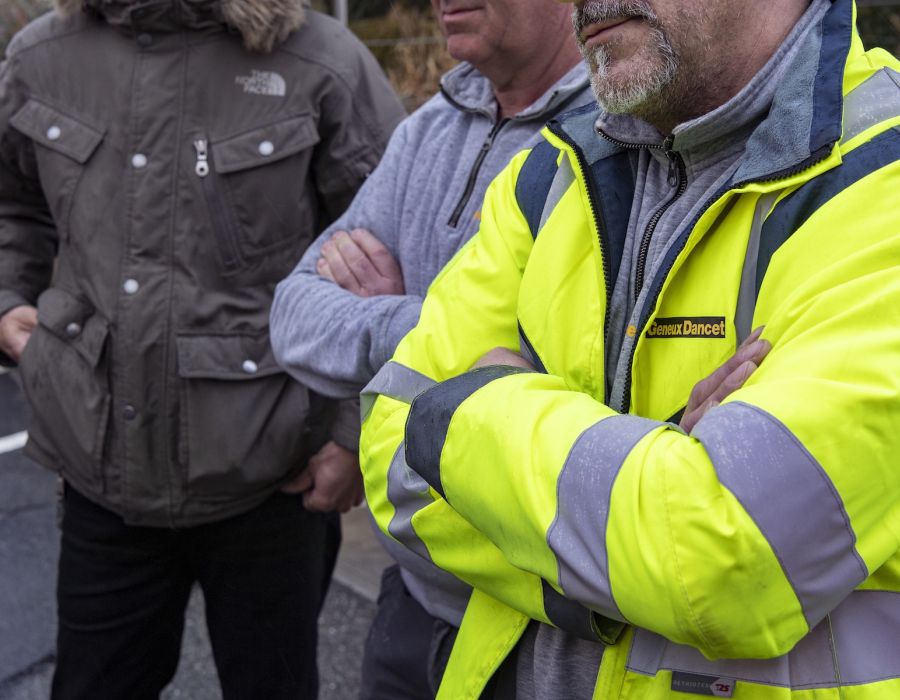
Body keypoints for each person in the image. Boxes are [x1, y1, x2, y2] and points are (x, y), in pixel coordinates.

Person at [356, 0, 900, 696]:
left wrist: (479, 407)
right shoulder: (549, 171)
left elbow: (725, 565)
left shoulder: (880, 175)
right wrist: (657, 478)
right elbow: (391, 455)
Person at [0, 0, 404, 697]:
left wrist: (353, 435)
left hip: (273, 476)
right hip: (99, 472)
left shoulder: (320, 62)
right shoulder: (43, 57)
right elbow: (13, 203)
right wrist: (8, 299)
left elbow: (393, 252)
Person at [268, 0, 594, 696]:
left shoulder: (615, 138)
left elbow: (576, 377)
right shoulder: (430, 129)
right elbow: (293, 313)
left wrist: (386, 321)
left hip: (547, 626)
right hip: (414, 600)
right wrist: (425, 327)